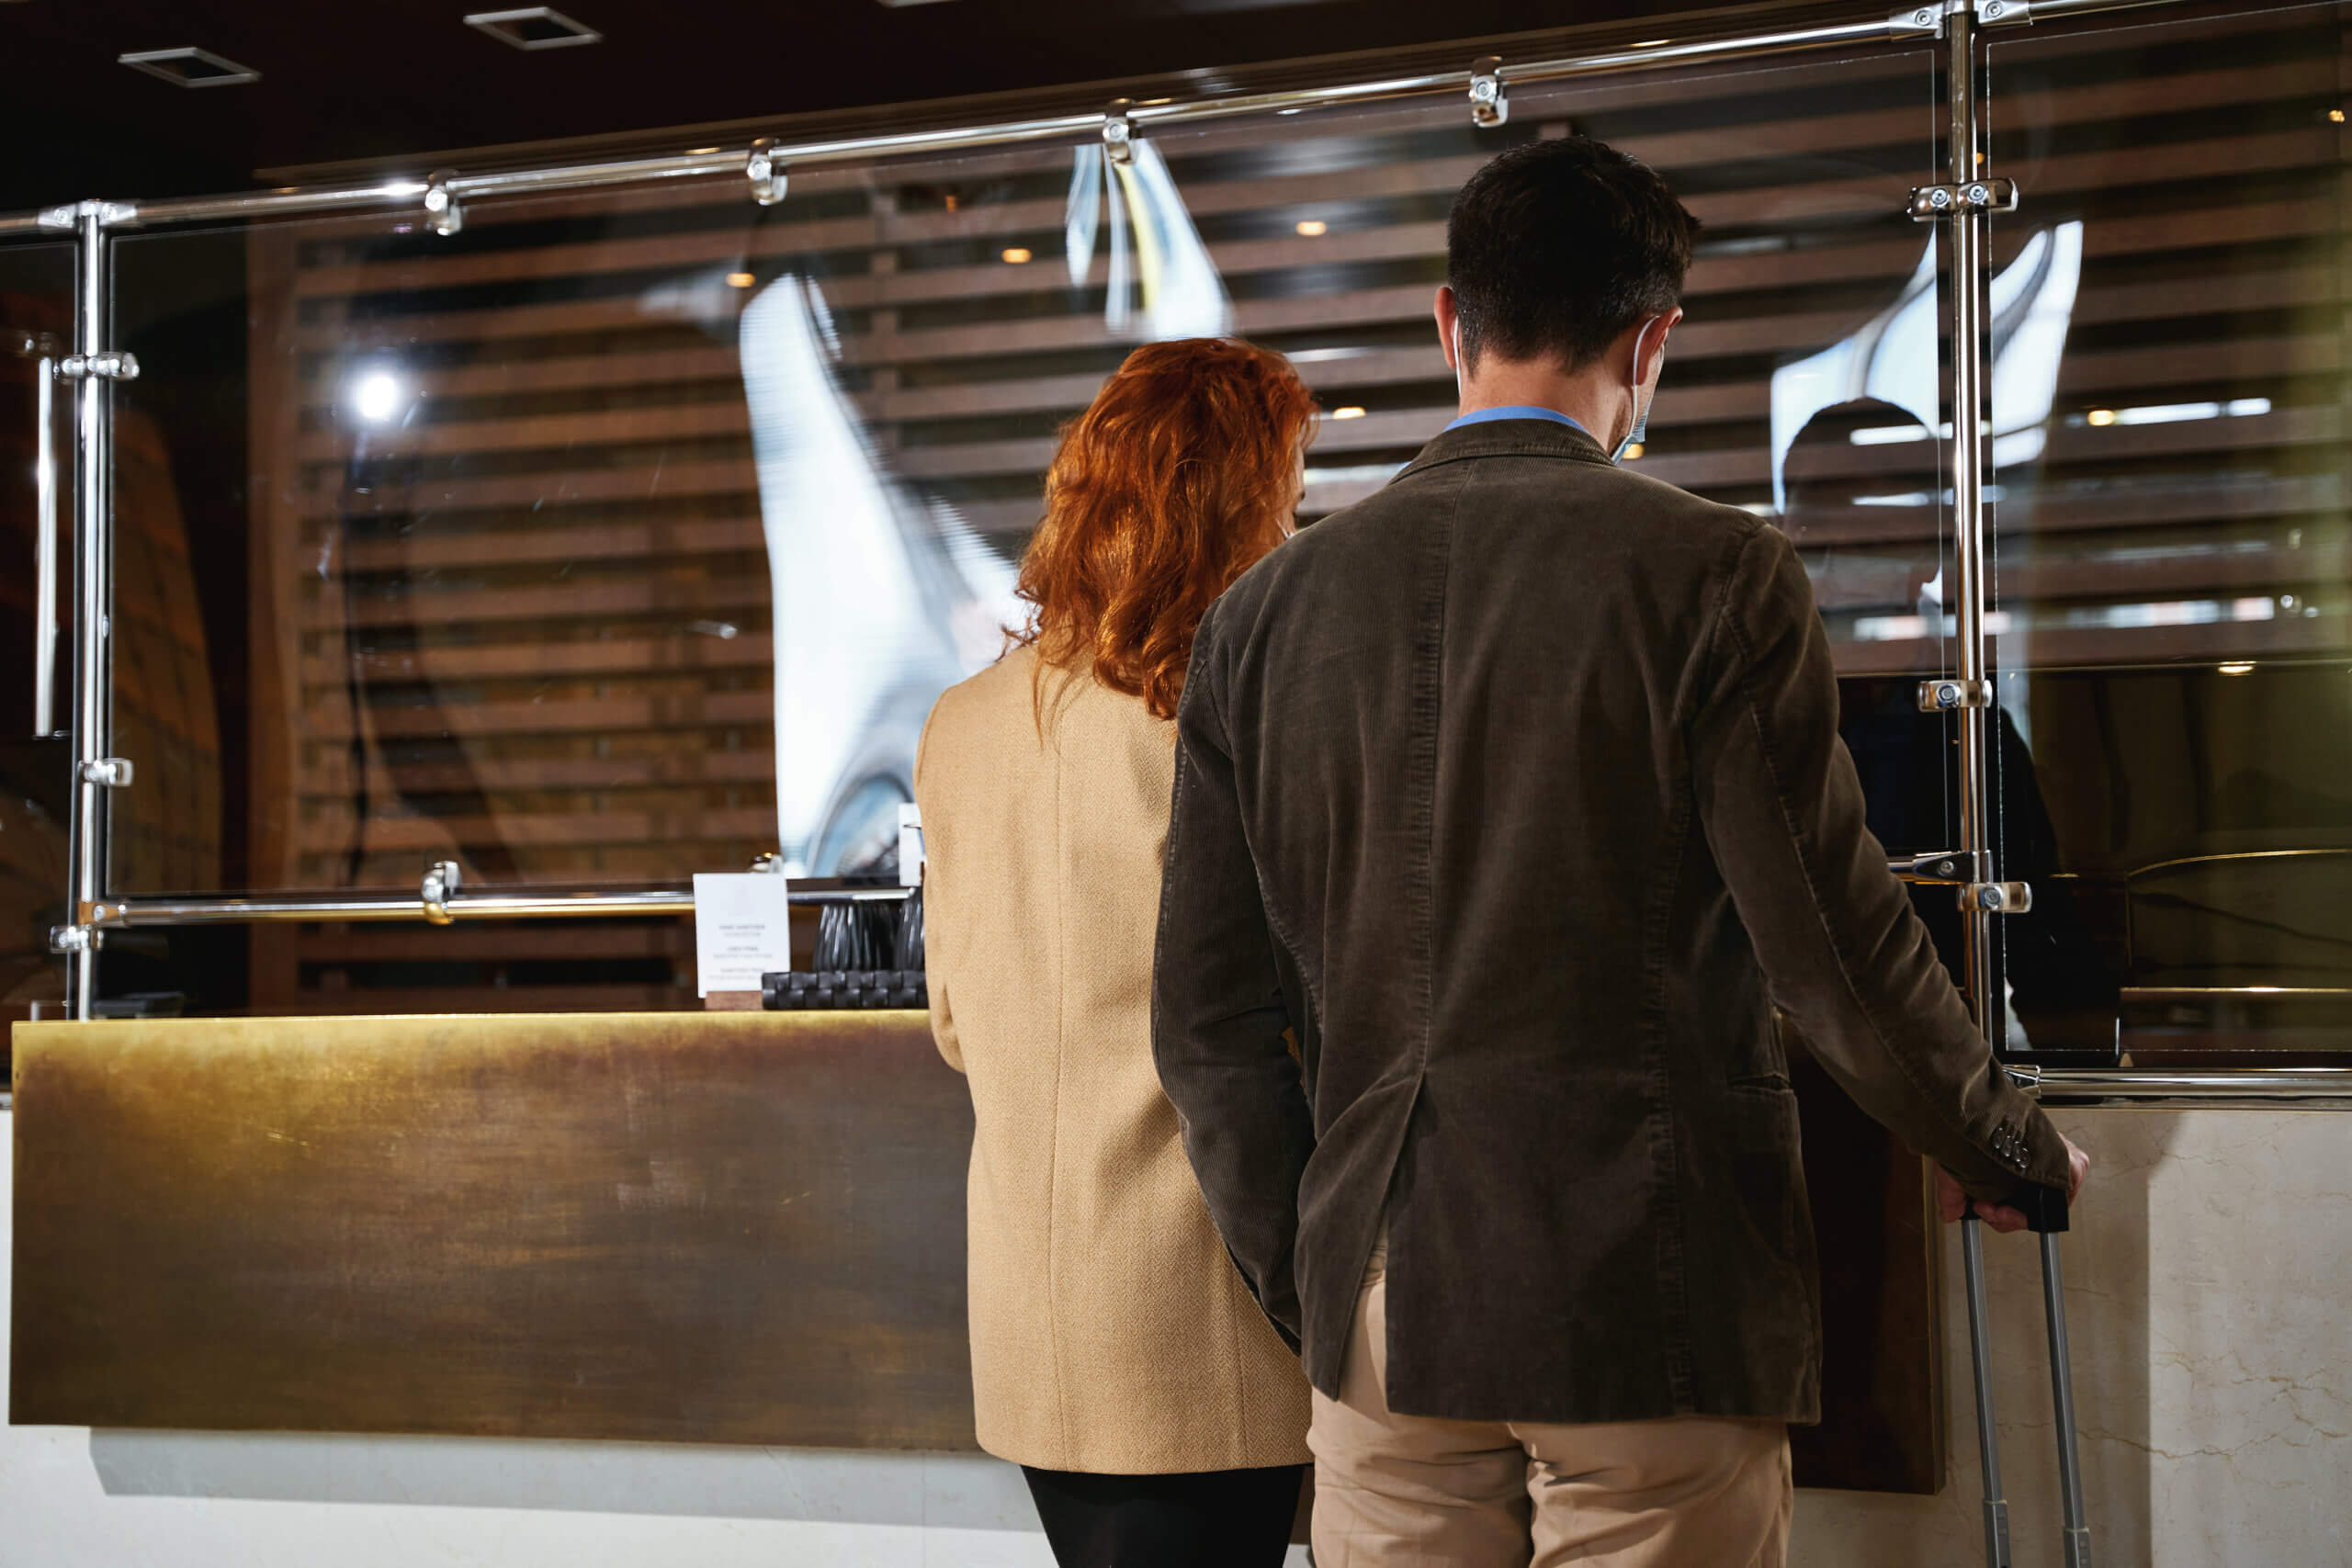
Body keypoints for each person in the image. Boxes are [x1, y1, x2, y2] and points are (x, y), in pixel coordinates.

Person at [1149, 137, 2091, 1567]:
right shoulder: (1715, 574)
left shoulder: (1263, 615)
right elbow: (1832, 949)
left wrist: (1318, 1279)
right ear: (1651, 341)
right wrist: (2004, 1145)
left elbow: (1207, 1024)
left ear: (1449, 323)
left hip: (1383, 1303)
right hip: (1640, 1285)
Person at [914, 336, 1320, 1567]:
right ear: (1240, 500)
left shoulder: (965, 719)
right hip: (1216, 1290)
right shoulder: (1230, 704)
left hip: (1040, 1309)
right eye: (1292, 492)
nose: (1301, 524)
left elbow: (951, 1022)